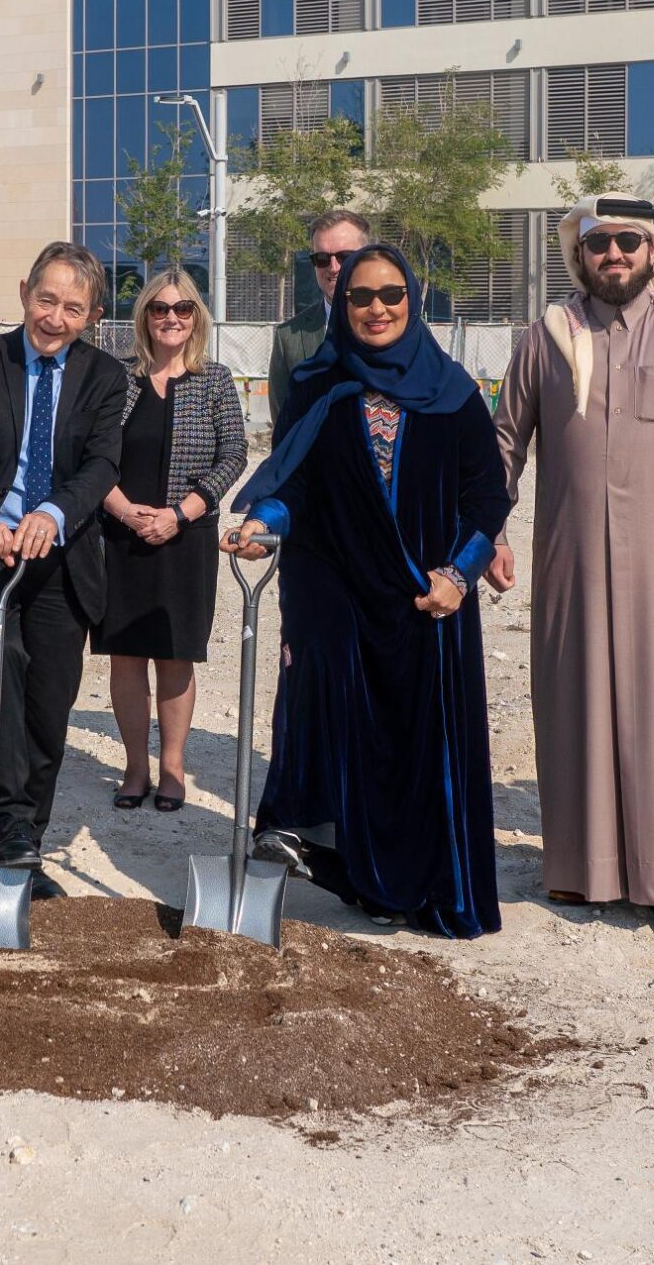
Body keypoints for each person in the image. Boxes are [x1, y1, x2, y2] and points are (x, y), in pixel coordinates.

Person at [489, 195, 654, 950]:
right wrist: (488, 534)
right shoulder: (546, 338)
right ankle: (585, 866)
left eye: (628, 242)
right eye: (599, 243)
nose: (613, 255)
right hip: (572, 558)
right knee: (575, 703)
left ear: (652, 250)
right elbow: (503, 443)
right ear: (580, 254)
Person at [224, 245, 506, 936]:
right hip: (343, 594)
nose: (376, 308)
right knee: (347, 733)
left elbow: (487, 497)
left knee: (422, 746)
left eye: (390, 295)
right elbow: (295, 485)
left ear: (412, 300)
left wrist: (459, 574)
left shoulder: (453, 391)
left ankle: (426, 888)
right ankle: (362, 878)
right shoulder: (321, 384)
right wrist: (264, 524)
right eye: (360, 296)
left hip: (426, 600)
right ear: (342, 304)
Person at [0, 241, 127, 900]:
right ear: (25, 292)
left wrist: (53, 511)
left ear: (93, 315)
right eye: (46, 300)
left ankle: (27, 838)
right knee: (4, 681)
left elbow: (102, 464)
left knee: (49, 708)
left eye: (73, 309)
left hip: (62, 556)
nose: (54, 318)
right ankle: (11, 828)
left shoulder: (106, 376)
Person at [97, 268, 245, 812]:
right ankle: (135, 767)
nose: (171, 318)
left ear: (196, 317)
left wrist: (180, 514)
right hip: (123, 534)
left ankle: (173, 767)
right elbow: (93, 454)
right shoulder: (119, 378)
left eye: (182, 309)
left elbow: (234, 455)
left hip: (186, 538)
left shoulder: (215, 379)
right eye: (160, 308)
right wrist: (123, 510)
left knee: (176, 654)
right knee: (126, 655)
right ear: (145, 316)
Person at [267, 209, 370, 439]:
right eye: (322, 258)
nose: (333, 267)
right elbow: (284, 427)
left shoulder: (402, 327)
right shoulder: (289, 337)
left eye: (344, 256)